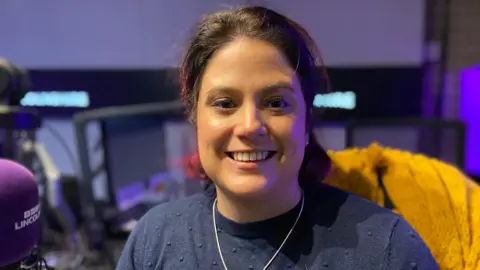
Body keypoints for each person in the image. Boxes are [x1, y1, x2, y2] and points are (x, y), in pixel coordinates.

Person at [117, 6, 438, 269]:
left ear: (306, 117)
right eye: (225, 103)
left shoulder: (388, 250)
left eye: (275, 103)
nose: (249, 126)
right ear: (195, 116)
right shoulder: (153, 239)